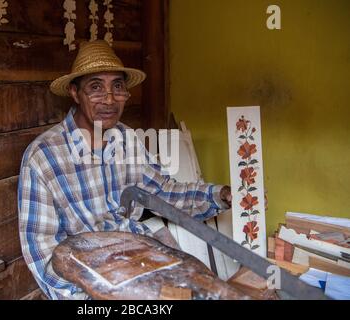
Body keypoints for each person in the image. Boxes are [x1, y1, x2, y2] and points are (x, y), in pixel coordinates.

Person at [18, 40, 232, 300]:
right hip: (91, 281)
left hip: (141, 259)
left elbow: (163, 193)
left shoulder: (126, 138)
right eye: (96, 87)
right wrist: (91, 298)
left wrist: (218, 196)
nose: (109, 99)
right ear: (75, 93)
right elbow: (43, 254)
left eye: (117, 86)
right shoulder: (43, 158)